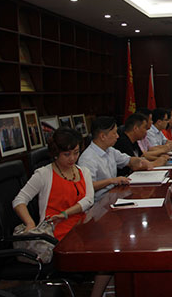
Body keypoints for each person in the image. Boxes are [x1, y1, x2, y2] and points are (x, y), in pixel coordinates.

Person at [12, 127, 110, 297]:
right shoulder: (44, 174)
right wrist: (30, 223)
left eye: (76, 153)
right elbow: (19, 200)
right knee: (105, 257)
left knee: (110, 250)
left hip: (81, 227)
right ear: (56, 154)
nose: (72, 158)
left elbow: (88, 200)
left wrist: (66, 213)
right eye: (67, 154)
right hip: (56, 234)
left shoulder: (83, 171)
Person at [78, 116, 159, 202]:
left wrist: (140, 161)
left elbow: (128, 160)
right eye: (114, 133)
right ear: (102, 136)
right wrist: (111, 181)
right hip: (100, 202)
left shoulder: (110, 150)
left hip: (114, 194)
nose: (117, 136)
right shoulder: (87, 158)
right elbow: (88, 186)